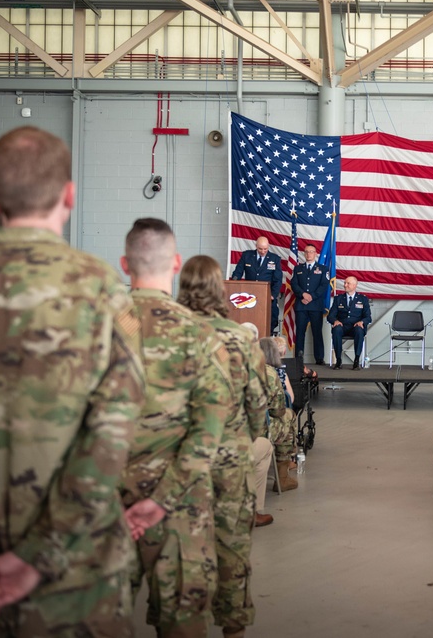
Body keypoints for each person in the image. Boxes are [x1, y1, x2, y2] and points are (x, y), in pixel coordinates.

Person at [0, 126, 145, 635]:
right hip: (74, 578)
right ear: (70, 195)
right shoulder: (100, 288)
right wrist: (42, 554)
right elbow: (112, 433)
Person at [120, 218, 239, 638]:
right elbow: (208, 432)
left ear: (124, 264)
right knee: (182, 623)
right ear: (174, 263)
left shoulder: (89, 328)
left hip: (101, 505)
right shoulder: (201, 336)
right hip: (180, 507)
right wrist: (161, 500)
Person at [177, 254, 272, 637]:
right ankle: (233, 626)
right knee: (232, 549)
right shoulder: (239, 337)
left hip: (178, 462)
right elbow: (258, 403)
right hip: (230, 459)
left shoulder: (167, 333)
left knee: (182, 550)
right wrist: (241, 438)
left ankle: (182, 624)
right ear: (221, 290)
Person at [258, 337, 299, 492]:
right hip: (259, 429)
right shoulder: (270, 373)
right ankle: (282, 476)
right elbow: (278, 410)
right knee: (288, 416)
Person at [231, 236, 282, 334]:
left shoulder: (275, 259)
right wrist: (234, 283)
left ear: (268, 247)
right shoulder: (247, 256)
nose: (263, 251)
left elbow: (277, 280)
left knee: (271, 319)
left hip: (267, 297)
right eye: (260, 249)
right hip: (249, 296)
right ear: (256, 246)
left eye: (265, 249)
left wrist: (273, 295)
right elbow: (237, 273)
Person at [292, 244, 330, 366]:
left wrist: (311, 296)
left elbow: (324, 285)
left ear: (315, 254)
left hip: (316, 305)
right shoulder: (298, 269)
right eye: (307, 252)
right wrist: (302, 294)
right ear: (304, 254)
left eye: (311, 252)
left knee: (317, 332)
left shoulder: (323, 269)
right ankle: (298, 358)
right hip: (301, 304)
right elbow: (294, 284)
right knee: (300, 332)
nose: (309, 254)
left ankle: (319, 358)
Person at [327, 275, 371, 370]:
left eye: (348, 283)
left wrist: (362, 322)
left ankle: (356, 360)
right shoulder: (338, 299)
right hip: (342, 326)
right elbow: (330, 316)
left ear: (355, 285)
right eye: (345, 283)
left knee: (360, 330)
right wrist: (335, 321)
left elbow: (368, 317)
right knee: (336, 329)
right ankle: (338, 360)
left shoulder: (363, 299)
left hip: (355, 327)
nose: (345, 285)